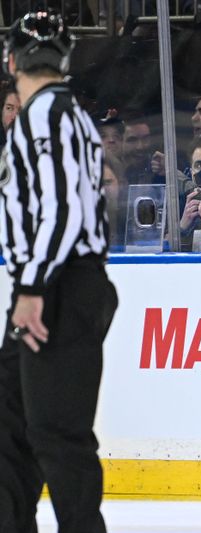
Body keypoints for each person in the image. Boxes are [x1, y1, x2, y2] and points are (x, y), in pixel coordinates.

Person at [0, 11, 118, 533]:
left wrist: (30, 287)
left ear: (11, 61)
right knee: (13, 425)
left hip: (55, 285)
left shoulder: (46, 114)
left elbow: (61, 211)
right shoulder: (62, 114)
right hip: (56, 282)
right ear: (65, 59)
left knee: (54, 432)